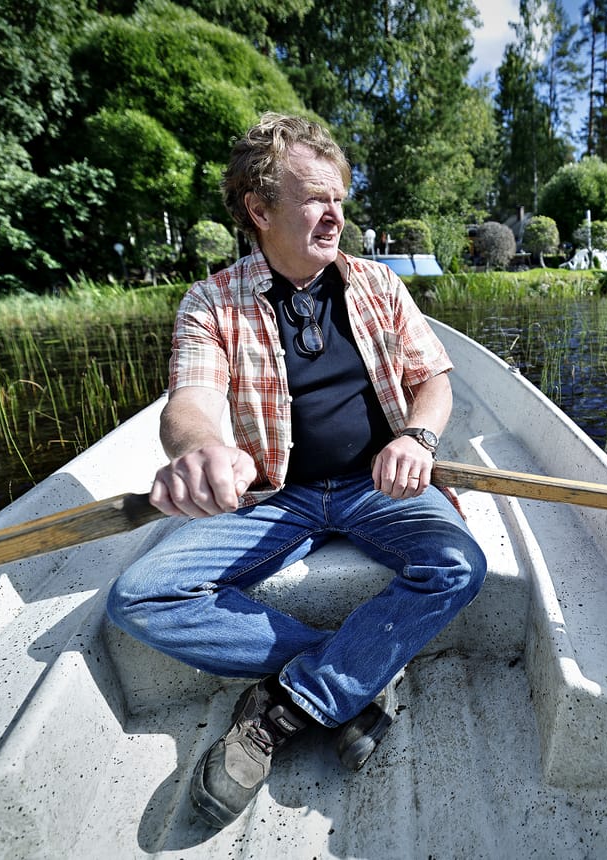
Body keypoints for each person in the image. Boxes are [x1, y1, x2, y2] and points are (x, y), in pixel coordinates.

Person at [106, 113, 487, 829]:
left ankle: (284, 706)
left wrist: (417, 437)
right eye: (315, 198)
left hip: (381, 485)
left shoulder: (378, 285)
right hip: (276, 498)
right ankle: (355, 676)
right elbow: (188, 404)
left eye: (339, 196)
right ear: (260, 209)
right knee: (140, 596)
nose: (335, 212)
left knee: (459, 562)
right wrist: (202, 451)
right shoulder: (210, 302)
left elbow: (434, 382)